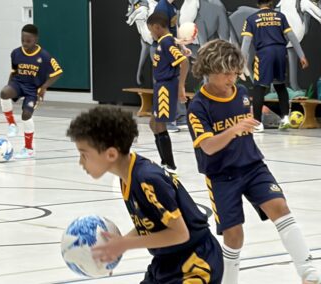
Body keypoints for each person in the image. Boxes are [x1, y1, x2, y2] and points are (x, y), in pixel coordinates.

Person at [187, 39, 319, 284]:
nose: (232, 79)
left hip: (253, 166)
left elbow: (244, 127)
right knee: (234, 235)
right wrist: (234, 129)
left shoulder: (243, 94)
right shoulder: (198, 106)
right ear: (209, 70)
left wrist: (244, 127)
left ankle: (308, 273)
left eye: (235, 73)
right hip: (221, 176)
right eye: (226, 74)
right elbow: (208, 145)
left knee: (280, 207)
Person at [66, 106, 223, 283]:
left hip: (195, 264)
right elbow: (152, 224)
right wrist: (119, 244)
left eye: (83, 155)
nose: (80, 162)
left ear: (111, 154)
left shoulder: (147, 179)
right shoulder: (128, 175)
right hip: (166, 262)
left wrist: (125, 244)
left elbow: (180, 234)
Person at [241, 0, 309, 132]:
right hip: (280, 52)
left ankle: (258, 123)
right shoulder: (280, 16)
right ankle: (285, 119)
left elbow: (246, 42)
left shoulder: (251, 19)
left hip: (264, 54)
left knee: (259, 88)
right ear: (271, 2)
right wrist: (301, 55)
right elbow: (292, 36)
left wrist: (241, 61)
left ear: (257, 4)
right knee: (280, 85)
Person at [0, 24, 63, 158]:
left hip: (32, 90)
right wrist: (9, 85)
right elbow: (14, 71)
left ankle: (28, 149)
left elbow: (58, 72)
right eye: (22, 40)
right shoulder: (16, 53)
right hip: (18, 83)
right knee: (4, 93)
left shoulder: (44, 56)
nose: (24, 43)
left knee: (26, 115)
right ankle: (11, 124)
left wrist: (44, 87)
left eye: (28, 41)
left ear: (35, 40)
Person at [146, 12, 189, 173]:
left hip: (166, 87)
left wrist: (181, 87)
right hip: (160, 86)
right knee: (153, 123)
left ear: (157, 27)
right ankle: (165, 161)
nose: (151, 34)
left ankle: (169, 165)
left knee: (160, 124)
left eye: (151, 30)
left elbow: (184, 63)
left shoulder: (166, 43)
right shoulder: (165, 42)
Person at [153, 0, 189, 133]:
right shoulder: (162, 6)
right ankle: (167, 121)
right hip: (163, 48)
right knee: (165, 84)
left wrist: (182, 46)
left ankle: (178, 117)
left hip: (171, 46)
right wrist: (176, 44)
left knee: (174, 81)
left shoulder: (172, 6)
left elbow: (174, 27)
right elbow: (160, 31)